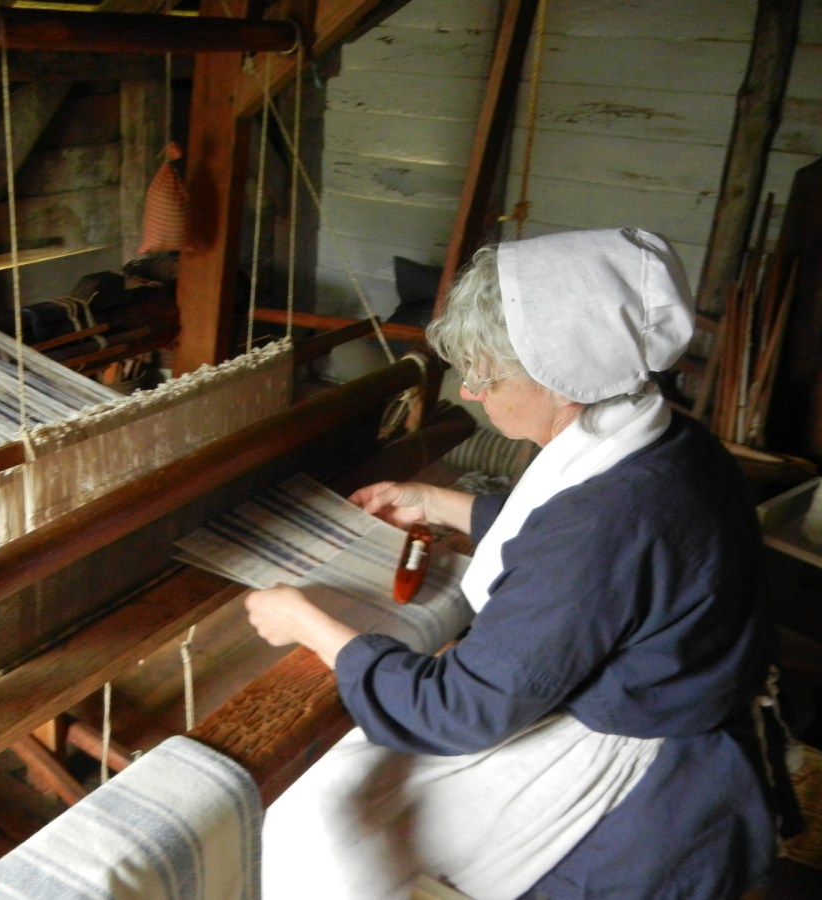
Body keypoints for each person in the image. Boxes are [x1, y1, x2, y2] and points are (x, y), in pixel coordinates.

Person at [246, 228, 790, 899]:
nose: (471, 392)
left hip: (644, 769)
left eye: (485, 371)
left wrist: (305, 621)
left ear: (560, 378)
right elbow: (602, 553)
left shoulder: (603, 519)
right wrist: (437, 503)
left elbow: (457, 711)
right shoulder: (668, 443)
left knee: (318, 825)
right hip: (682, 694)